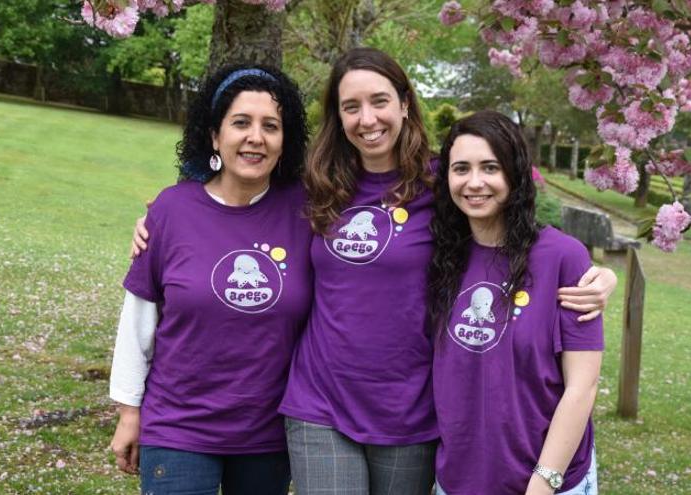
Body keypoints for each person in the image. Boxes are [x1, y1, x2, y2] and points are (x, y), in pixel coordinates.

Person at [130, 48, 616, 495]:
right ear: (337, 117)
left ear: (405, 103)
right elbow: (234, 208)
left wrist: (595, 274)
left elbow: (507, 228)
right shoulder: (315, 186)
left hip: (410, 410)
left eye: (379, 101)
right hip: (319, 401)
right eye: (350, 107)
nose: (367, 119)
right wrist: (167, 213)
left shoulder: (442, 185)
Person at [108, 64, 312, 495]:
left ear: (284, 142)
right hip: (178, 428)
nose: (255, 136)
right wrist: (129, 412)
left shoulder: (307, 213)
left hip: (267, 434)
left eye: (270, 126)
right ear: (215, 136)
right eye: (241, 123)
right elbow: (139, 318)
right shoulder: (171, 210)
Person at [428, 111, 604, 495]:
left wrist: (544, 481)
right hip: (458, 481)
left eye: (490, 167)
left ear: (515, 172)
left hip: (549, 483)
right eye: (461, 169)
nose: (474, 182)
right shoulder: (441, 257)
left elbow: (583, 385)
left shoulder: (563, 258)